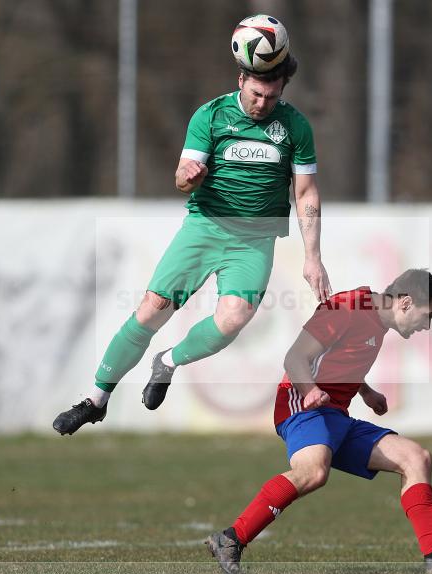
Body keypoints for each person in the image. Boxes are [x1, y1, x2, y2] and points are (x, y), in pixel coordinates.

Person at [53, 20, 331, 435]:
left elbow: (306, 193)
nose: (262, 104)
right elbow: (182, 180)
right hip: (205, 227)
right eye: (256, 94)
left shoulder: (295, 127)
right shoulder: (210, 116)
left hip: (255, 239)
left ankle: (167, 362)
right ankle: (97, 399)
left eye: (271, 96)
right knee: (151, 309)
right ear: (241, 79)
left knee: (234, 318)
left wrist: (313, 259)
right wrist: (188, 174)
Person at [204, 269, 432, 574]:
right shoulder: (348, 308)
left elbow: (341, 355)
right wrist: (310, 391)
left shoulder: (379, 320)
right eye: (427, 315)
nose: (427, 325)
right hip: (301, 406)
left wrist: (365, 391)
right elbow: (295, 358)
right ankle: (231, 539)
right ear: (406, 302)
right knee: (313, 472)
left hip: (335, 415)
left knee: (416, 458)